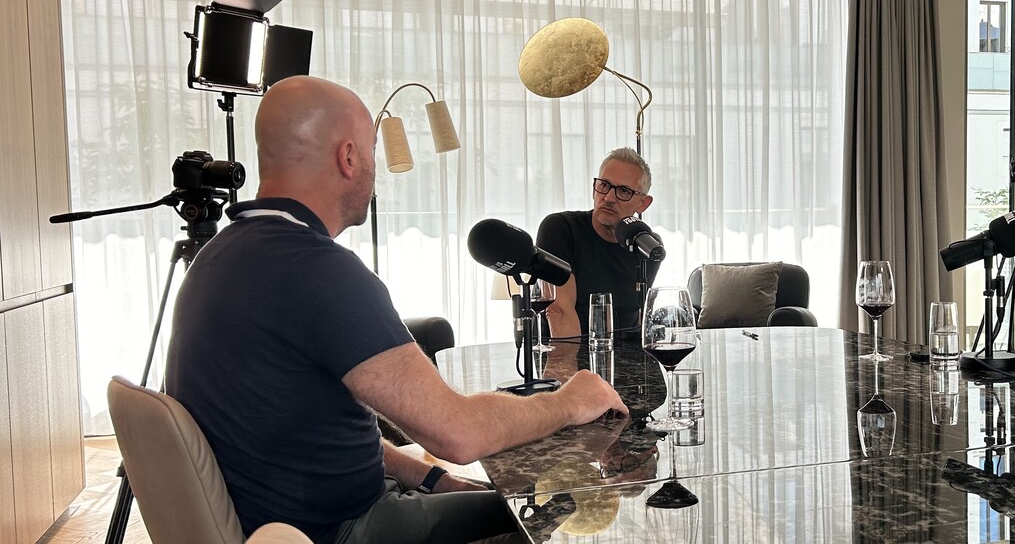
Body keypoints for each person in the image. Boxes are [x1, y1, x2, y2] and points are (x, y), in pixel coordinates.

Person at [166, 76, 626, 544]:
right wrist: (570, 400)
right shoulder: (318, 270)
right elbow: (458, 435)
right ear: (348, 157)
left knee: (521, 505)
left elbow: (308, 425)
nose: (372, 170)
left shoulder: (220, 255)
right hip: (342, 529)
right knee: (562, 518)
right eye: (370, 152)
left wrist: (429, 479)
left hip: (290, 517)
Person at [539, 148, 656, 339]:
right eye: (604, 185)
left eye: (623, 191)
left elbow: (637, 316)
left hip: (624, 361)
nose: (609, 198)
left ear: (642, 204)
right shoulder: (561, 229)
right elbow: (559, 311)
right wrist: (574, 370)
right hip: (565, 358)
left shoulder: (646, 244)